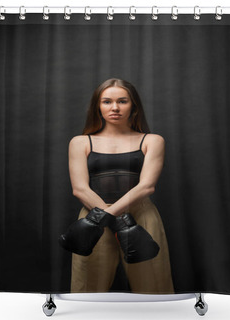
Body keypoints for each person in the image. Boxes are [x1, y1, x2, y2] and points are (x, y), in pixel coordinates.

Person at [67, 78, 174, 294]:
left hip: (140, 216)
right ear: (98, 106)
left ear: (133, 105)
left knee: (153, 285)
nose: (114, 107)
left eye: (122, 101)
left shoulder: (153, 141)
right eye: (107, 101)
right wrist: (109, 218)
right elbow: (80, 188)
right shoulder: (79, 142)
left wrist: (108, 215)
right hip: (92, 217)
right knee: (87, 287)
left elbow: (146, 187)